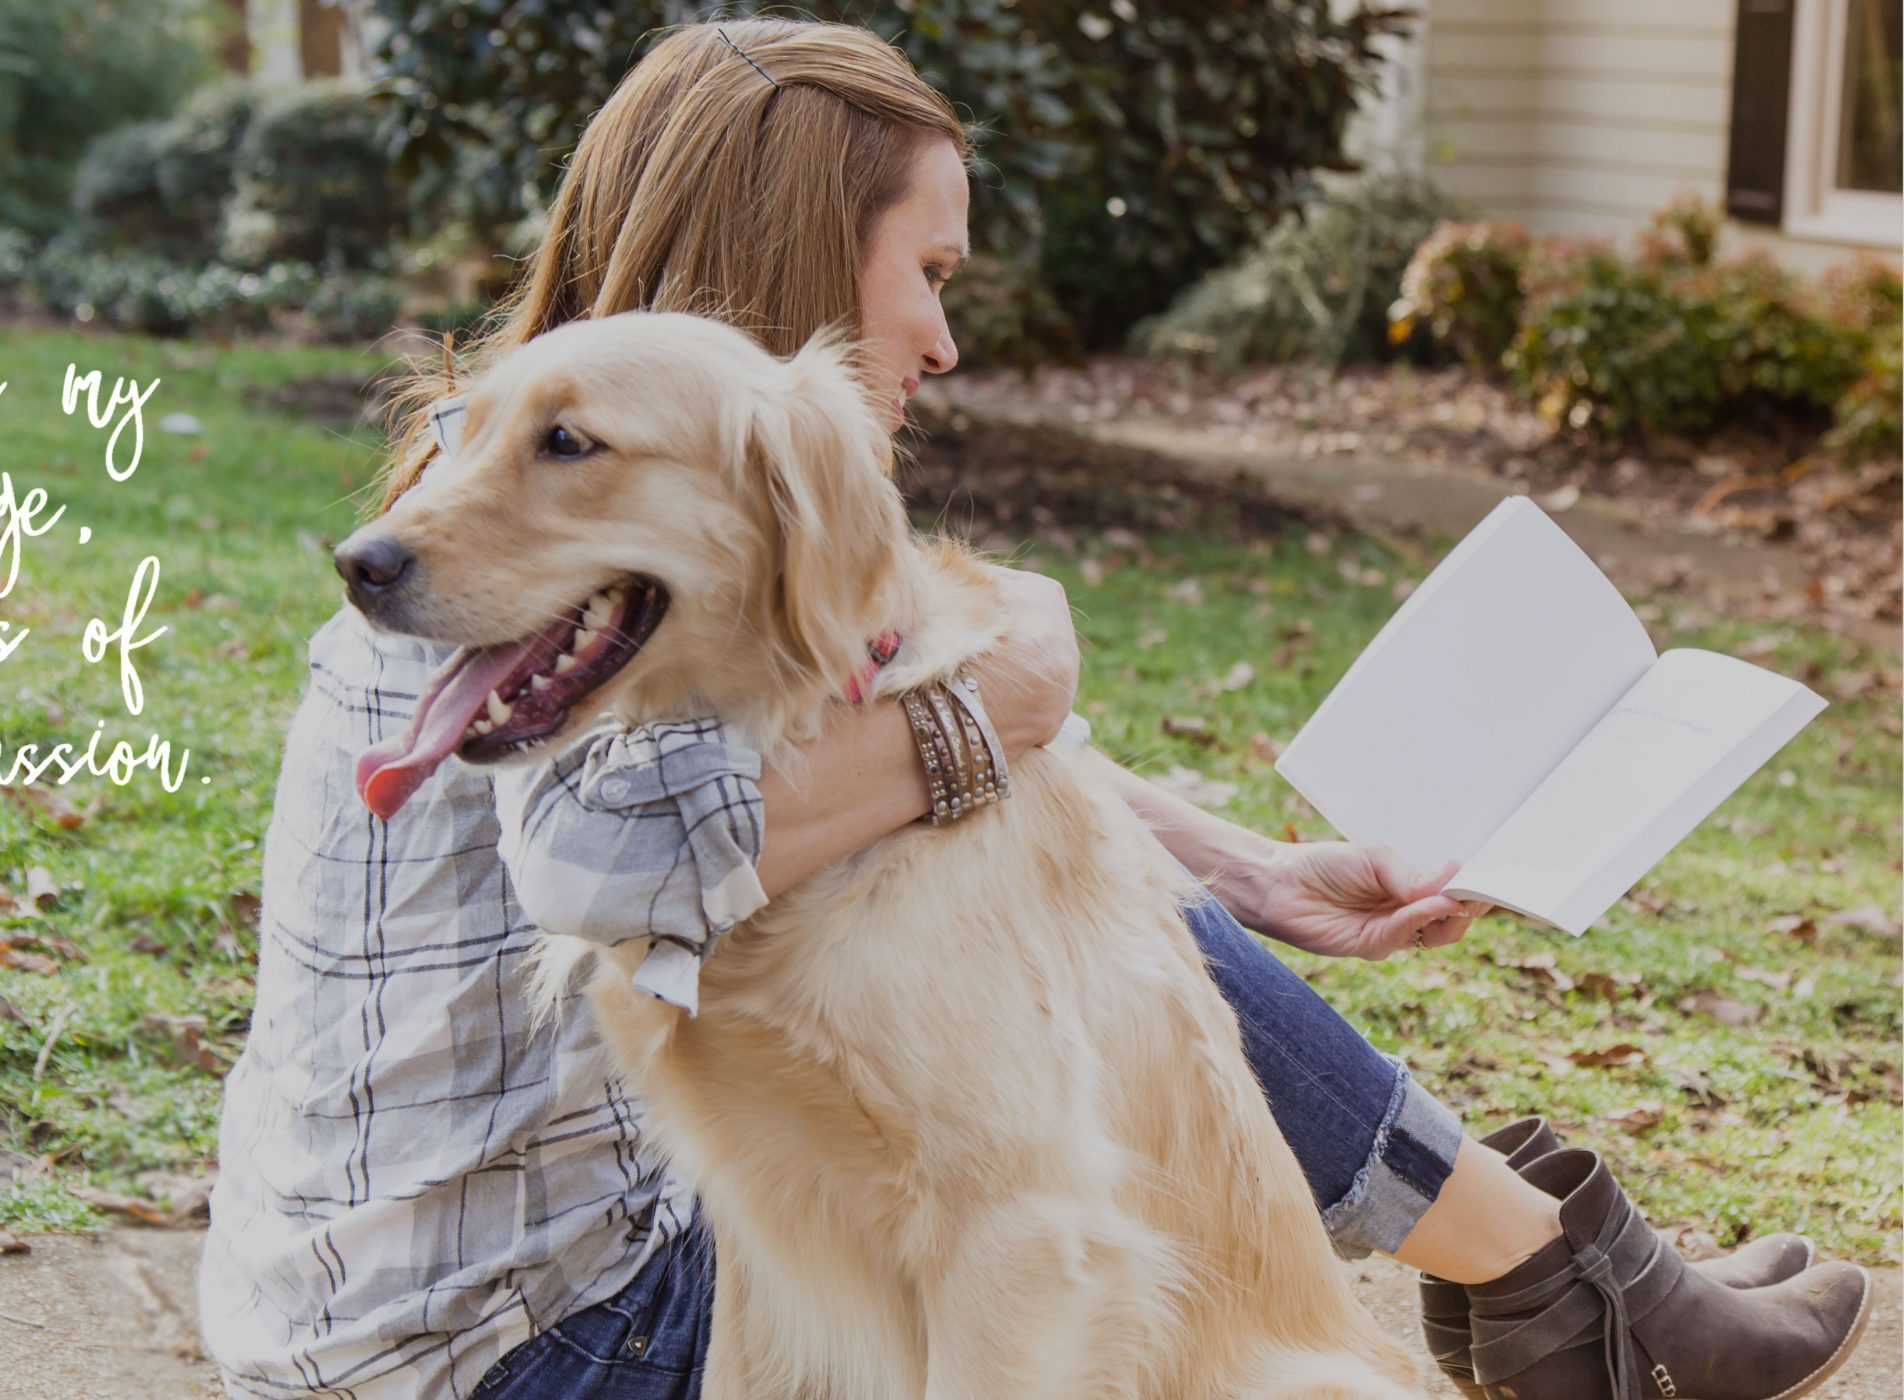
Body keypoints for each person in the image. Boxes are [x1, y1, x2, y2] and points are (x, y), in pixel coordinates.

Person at [200, 18, 1871, 1400]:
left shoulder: (575, 483)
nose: (939, 335)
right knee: (1029, 972)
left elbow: (867, 752)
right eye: (927, 271)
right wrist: (1015, 689)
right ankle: (1554, 1283)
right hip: (520, 1340)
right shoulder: (545, 543)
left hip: (422, 1299)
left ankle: (1552, 1277)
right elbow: (619, 844)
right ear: (791, 268)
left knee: (1030, 867)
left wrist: (1237, 865)